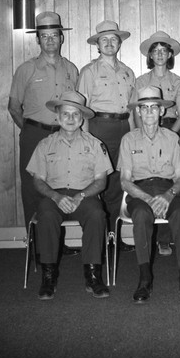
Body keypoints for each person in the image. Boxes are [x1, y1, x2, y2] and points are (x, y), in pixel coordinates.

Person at [26, 91, 113, 300]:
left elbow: (101, 180)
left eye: (76, 114)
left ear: (82, 118)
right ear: (57, 116)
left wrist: (80, 196)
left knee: (97, 215)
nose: (71, 119)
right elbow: (37, 179)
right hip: (54, 195)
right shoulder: (45, 144)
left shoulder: (94, 144)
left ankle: (93, 276)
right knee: (46, 215)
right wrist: (56, 197)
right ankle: (48, 277)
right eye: (66, 114)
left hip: (85, 195)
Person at [117, 86, 180, 305]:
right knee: (142, 216)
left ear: (162, 112)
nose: (150, 112)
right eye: (145, 108)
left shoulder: (172, 138)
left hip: (168, 190)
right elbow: (125, 180)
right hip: (139, 192)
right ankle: (145, 278)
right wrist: (147, 199)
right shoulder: (128, 140)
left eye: (155, 107)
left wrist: (168, 195)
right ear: (139, 112)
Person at [8, 11, 79, 235]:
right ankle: (34, 242)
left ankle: (55, 240)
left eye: (54, 35)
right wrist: (31, 130)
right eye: (44, 36)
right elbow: (13, 106)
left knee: (60, 184)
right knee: (32, 188)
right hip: (34, 135)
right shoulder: (26, 69)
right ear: (37, 39)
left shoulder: (71, 69)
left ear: (61, 38)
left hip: (63, 135)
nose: (50, 40)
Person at [78, 20, 136, 252]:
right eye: (105, 40)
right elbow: (82, 109)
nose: (110, 43)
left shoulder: (128, 72)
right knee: (96, 181)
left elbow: (131, 109)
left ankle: (113, 237)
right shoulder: (89, 71)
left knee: (116, 184)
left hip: (122, 128)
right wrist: (86, 139)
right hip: (98, 127)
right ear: (98, 45)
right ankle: (95, 239)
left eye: (114, 39)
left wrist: (132, 136)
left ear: (119, 43)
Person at [134, 31, 180, 256]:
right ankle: (148, 236)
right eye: (155, 50)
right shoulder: (141, 81)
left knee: (169, 180)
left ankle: (166, 238)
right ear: (150, 54)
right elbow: (137, 114)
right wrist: (146, 135)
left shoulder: (177, 81)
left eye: (163, 50)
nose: (159, 54)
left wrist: (168, 136)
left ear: (169, 54)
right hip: (145, 129)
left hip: (171, 129)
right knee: (149, 178)